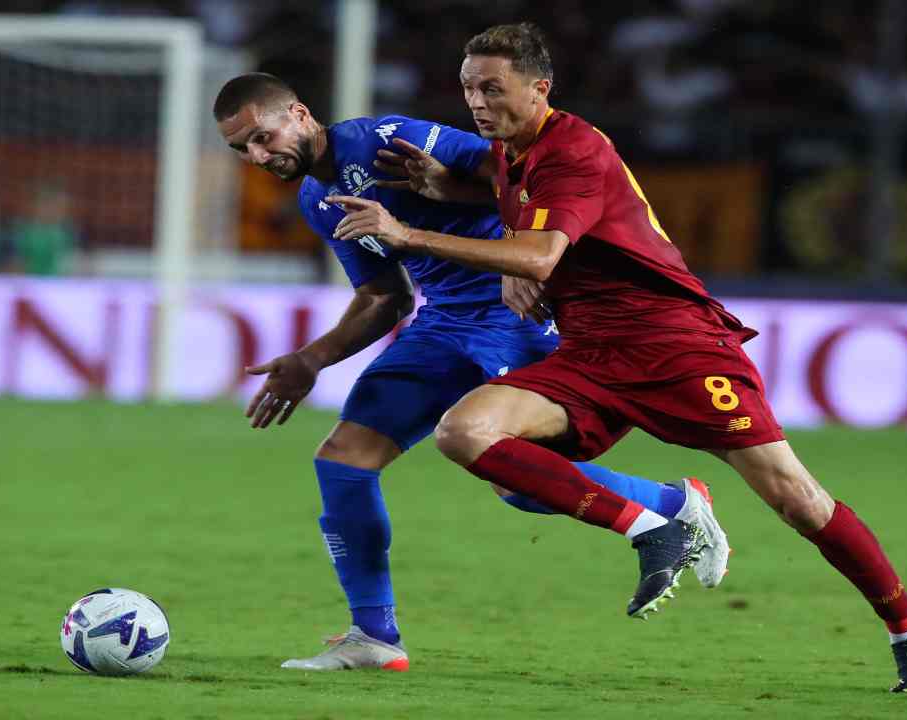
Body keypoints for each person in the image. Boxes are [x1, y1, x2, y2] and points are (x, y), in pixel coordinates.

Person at [324, 23, 907, 695]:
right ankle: (652, 525)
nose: (477, 102)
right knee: (466, 432)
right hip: (589, 354)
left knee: (795, 498)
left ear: (539, 88)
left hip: (674, 345)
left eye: (493, 88)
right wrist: (450, 190)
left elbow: (540, 253)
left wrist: (408, 233)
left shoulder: (574, 150)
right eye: (469, 88)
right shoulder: (509, 153)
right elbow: (513, 205)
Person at [212, 73, 729, 672]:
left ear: (300, 114)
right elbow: (385, 297)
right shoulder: (316, 200)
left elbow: (517, 173)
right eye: (242, 149)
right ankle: (374, 636)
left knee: (518, 483)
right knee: (343, 459)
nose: (257, 156)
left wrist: (517, 246)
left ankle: (671, 504)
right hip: (441, 324)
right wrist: (311, 359)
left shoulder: (386, 138)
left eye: (263, 137)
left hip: (514, 315)